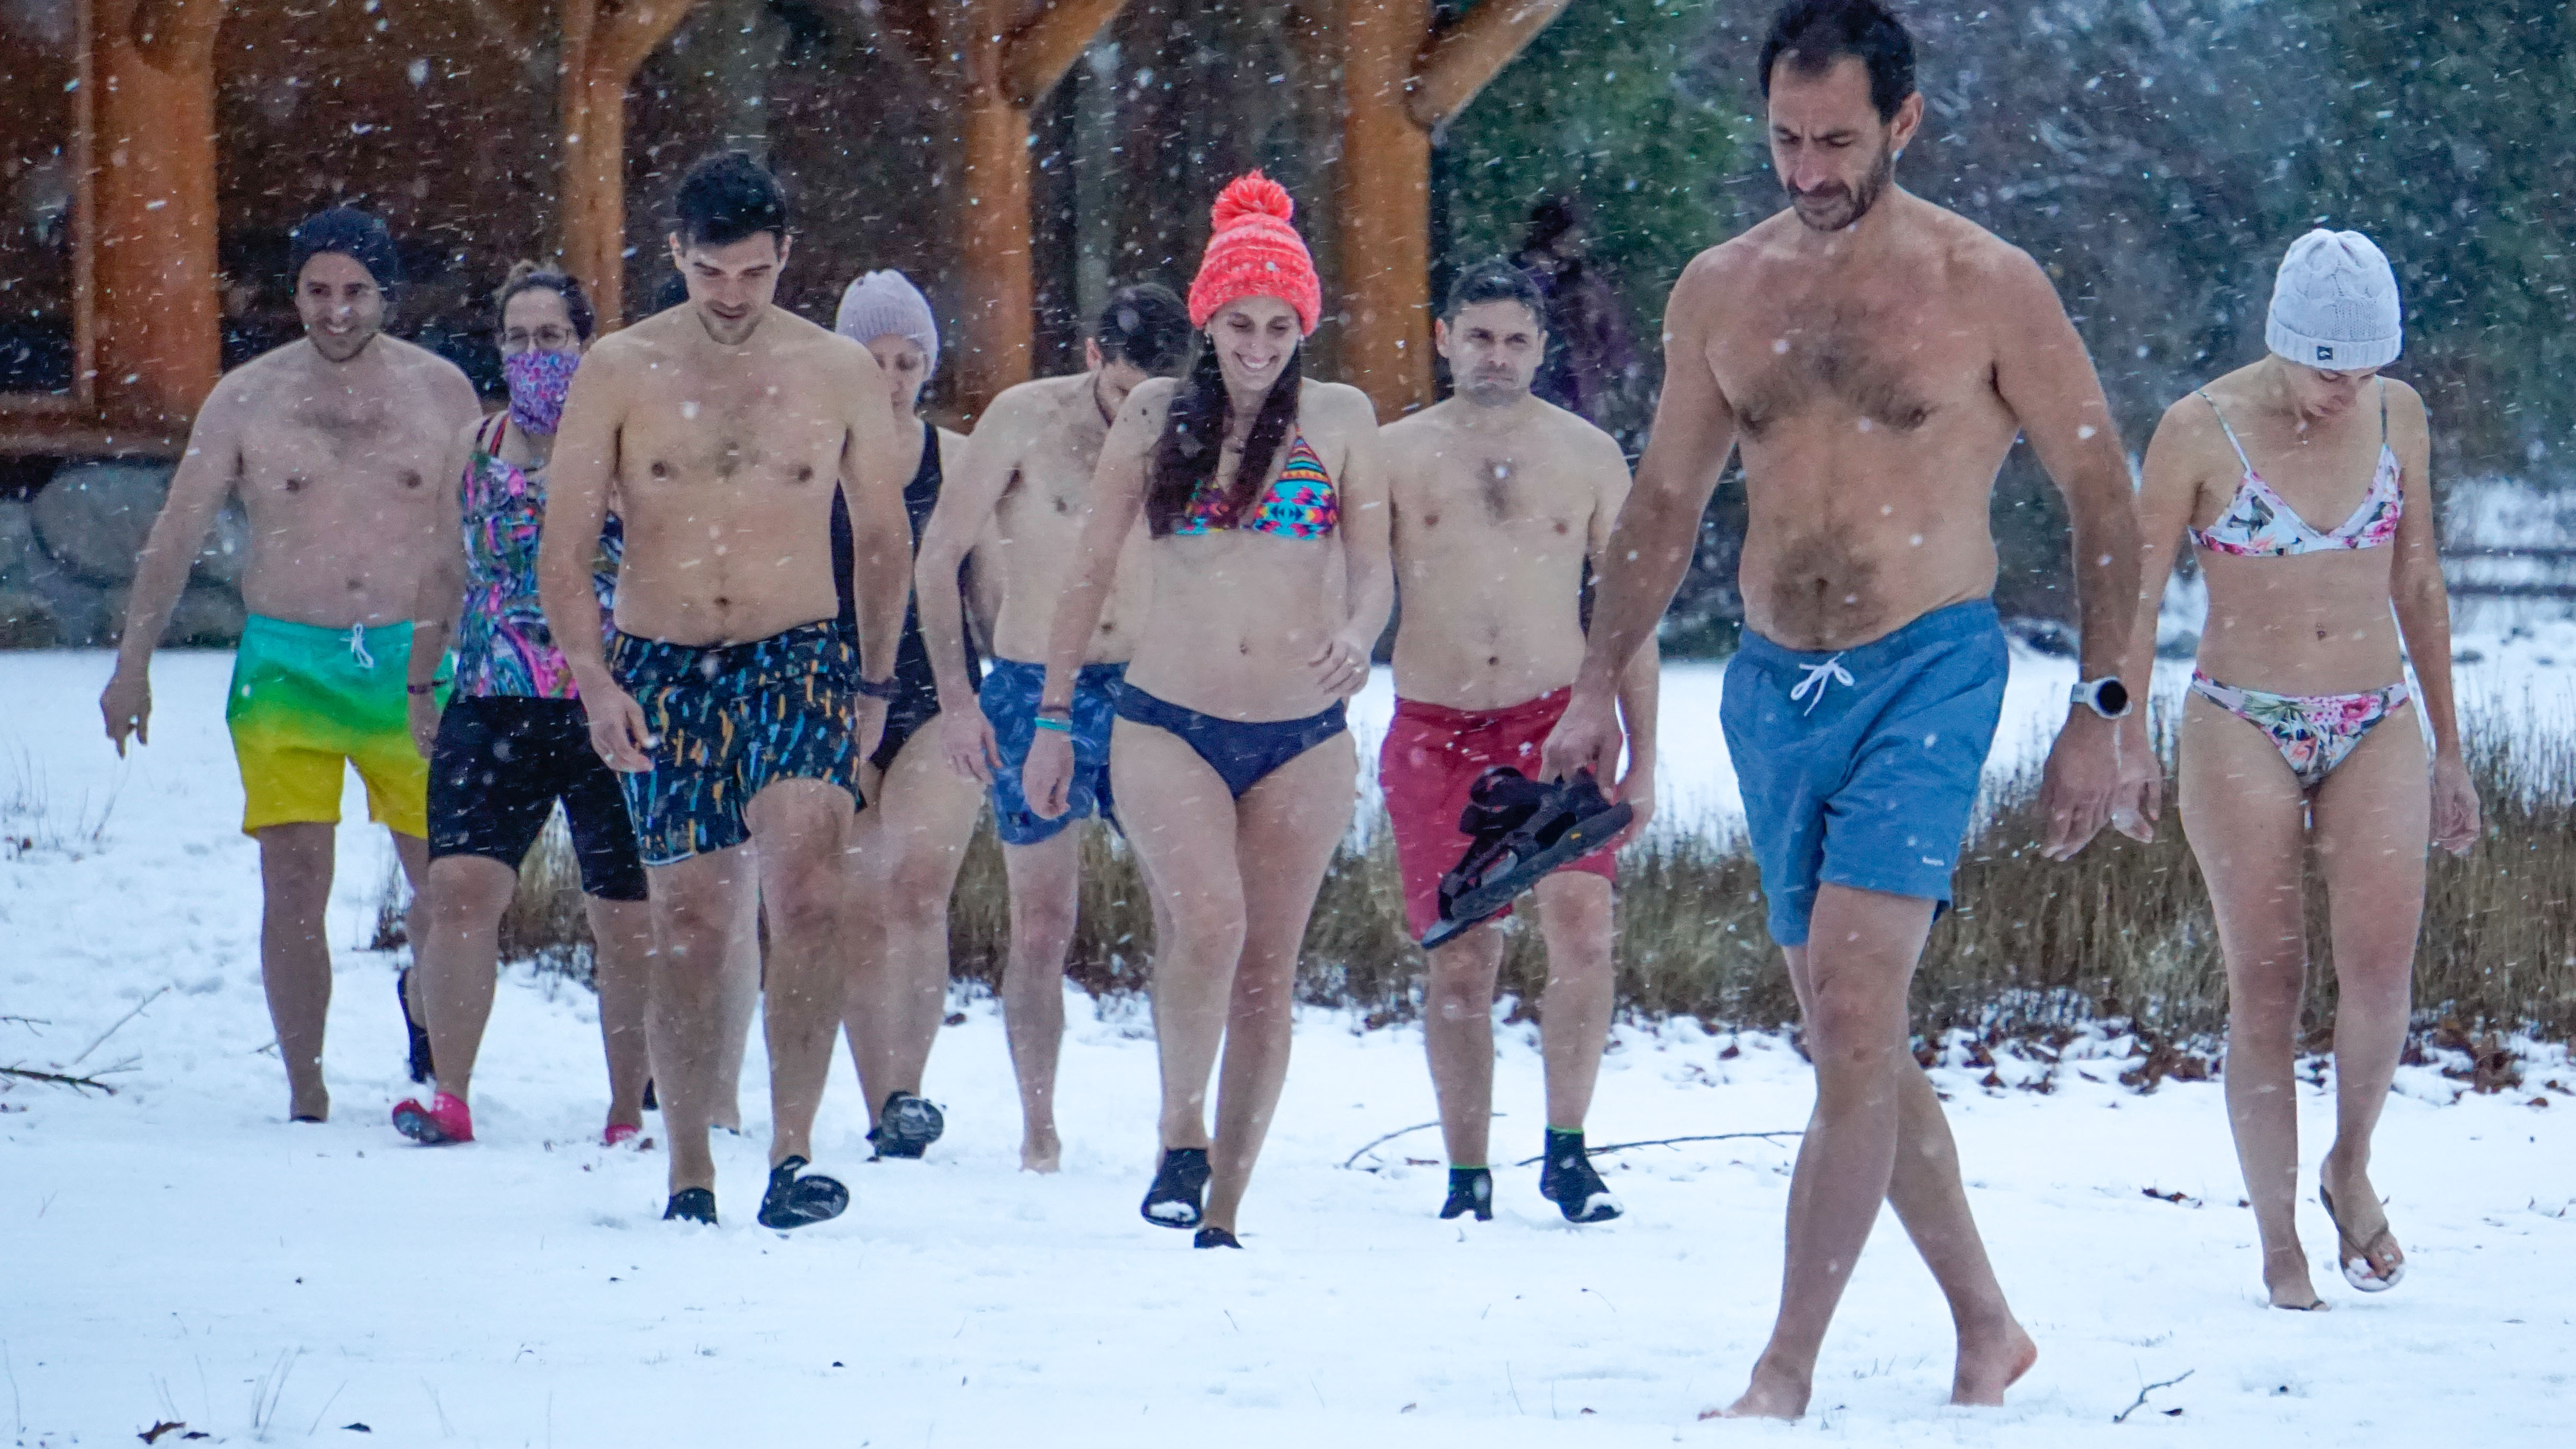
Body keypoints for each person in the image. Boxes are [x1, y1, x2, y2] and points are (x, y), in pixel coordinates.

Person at [1542, 0, 2146, 1417]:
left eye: (1837, 141)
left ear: (1903, 122)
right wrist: (1594, 685)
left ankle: (1784, 1371)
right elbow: (1664, 501)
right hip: (1770, 688)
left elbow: (2103, 495)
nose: (1808, 170)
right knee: (1846, 1035)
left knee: (1861, 1006)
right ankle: (1987, 1325)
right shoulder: (1723, 289)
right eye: (1786, 140)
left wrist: (2104, 707)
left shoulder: (1988, 285)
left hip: (1929, 665)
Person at [539, 151, 913, 1229]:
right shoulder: (621, 367)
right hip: (662, 661)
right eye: (711, 272)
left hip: (796, 651)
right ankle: (691, 1165)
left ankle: (794, 1152)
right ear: (676, 255)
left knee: (810, 893)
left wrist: (875, 678)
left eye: (754, 272)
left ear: (786, 255)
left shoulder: (835, 369)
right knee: (693, 922)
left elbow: (883, 536)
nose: (733, 294)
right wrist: (594, 681)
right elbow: (564, 549)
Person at [1022, 174, 1392, 1247]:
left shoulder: (1342, 419)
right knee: (1211, 923)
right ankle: (1181, 1126)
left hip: (1301, 731)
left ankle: (1225, 1197)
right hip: (1168, 720)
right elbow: (1089, 570)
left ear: (1303, 326)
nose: (1259, 346)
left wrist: (1358, 633)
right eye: (1240, 324)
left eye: (1279, 325)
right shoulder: (1153, 415)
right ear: (1209, 321)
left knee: (1268, 966)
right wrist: (1052, 715)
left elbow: (1375, 568)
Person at [2125, 229, 2477, 1308]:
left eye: (2366, 369)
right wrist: (2121, 735)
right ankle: (2278, 1237)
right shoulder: (2199, 429)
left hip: (2377, 715)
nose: (2347, 390)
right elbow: (2135, 596)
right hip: (2243, 717)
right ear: (2284, 342)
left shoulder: (2399, 416)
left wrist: (2452, 752)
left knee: (2380, 970)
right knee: (2267, 984)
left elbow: (2418, 582)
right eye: (2331, 369)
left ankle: (2350, 1164)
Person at [100, 207, 481, 1124]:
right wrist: (132, 663)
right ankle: (306, 1089)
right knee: (295, 884)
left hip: (413, 662)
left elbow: (480, 533)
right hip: (286, 665)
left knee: (448, 879)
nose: (337, 311)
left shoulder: (441, 393)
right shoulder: (247, 397)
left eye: (356, 292)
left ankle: (431, 1021)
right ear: (294, 293)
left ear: (387, 294)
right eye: (319, 291)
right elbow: (177, 532)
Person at [1378, 259, 1659, 1225]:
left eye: (1515, 340)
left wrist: (1644, 756)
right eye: (1479, 338)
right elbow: (1351, 583)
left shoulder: (1588, 454)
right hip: (1434, 724)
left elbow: (1630, 611)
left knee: (1582, 930)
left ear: (1542, 349)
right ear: (1444, 339)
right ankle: (1467, 1175)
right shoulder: (1392, 453)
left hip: (1557, 722)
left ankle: (1568, 1151)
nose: (1496, 357)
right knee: (1461, 958)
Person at [915, 281, 1194, 1173]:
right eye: (1125, 395)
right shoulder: (1024, 419)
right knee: (1041, 920)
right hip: (1035, 676)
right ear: (1092, 358)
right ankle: (1039, 1127)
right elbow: (938, 557)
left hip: (1154, 683)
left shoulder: (1193, 424)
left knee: (1183, 915)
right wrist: (957, 697)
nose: (1138, 417)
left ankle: (1181, 1125)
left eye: (1155, 400)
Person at [387, 264, 652, 1149]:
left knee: (624, 913)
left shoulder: (626, 437)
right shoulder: (475, 443)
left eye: (553, 338)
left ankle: (628, 1107)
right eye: (519, 338)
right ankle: (451, 1092)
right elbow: (444, 567)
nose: (535, 354)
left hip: (607, 697)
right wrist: (422, 681)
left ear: (586, 343)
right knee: (461, 886)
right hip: (494, 692)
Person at [825, 269, 985, 1162]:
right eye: (874, 360)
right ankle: (877, 1090)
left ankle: (907, 1094)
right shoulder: (812, 454)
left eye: (908, 361)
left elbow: (992, 585)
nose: (891, 380)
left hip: (935, 691)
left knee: (918, 887)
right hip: (831, 693)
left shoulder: (956, 460)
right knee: (856, 905)